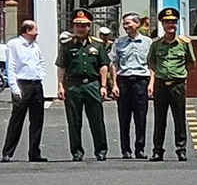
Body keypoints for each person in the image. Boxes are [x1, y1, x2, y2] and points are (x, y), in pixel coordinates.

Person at [55, 10, 110, 162]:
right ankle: (77, 152)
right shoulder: (66, 45)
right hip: (73, 85)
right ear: (73, 26)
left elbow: (103, 66)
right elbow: (61, 67)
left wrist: (104, 86)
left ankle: (101, 150)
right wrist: (60, 86)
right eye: (78, 25)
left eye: (84, 26)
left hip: (92, 84)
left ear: (89, 26)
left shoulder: (98, 45)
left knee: (97, 119)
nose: (81, 29)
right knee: (74, 121)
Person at [147, 8, 195, 161]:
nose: (171, 25)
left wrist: (178, 74)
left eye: (173, 22)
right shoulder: (156, 44)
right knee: (159, 119)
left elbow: (191, 63)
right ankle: (157, 150)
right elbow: (151, 62)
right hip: (161, 84)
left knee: (179, 118)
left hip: (177, 85)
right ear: (162, 24)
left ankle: (181, 149)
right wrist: (162, 73)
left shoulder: (184, 43)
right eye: (167, 22)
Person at [4, 21, 48, 162]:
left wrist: (41, 75)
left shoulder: (35, 46)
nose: (37, 33)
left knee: (37, 120)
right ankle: (8, 152)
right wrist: (14, 88)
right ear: (27, 30)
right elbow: (10, 67)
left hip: (36, 84)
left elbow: (41, 62)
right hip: (22, 84)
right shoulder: (14, 45)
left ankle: (34, 152)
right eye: (35, 30)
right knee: (17, 120)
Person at [111, 14, 152, 159]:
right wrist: (114, 84)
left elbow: (152, 65)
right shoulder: (119, 43)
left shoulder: (148, 42)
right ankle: (125, 149)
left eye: (128, 23)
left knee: (141, 117)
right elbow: (114, 64)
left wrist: (151, 84)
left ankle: (140, 148)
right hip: (124, 81)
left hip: (141, 81)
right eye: (124, 23)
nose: (125, 26)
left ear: (137, 24)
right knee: (124, 117)